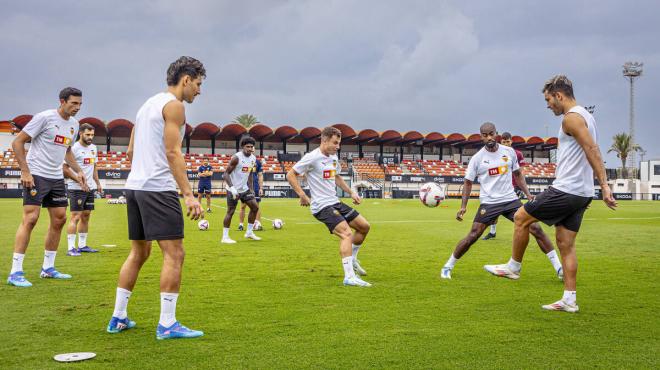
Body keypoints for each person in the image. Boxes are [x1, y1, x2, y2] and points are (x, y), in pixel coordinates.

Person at [484, 75, 617, 313]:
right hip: (582, 192)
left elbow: (592, 149)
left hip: (567, 188)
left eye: (548, 100)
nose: (548, 105)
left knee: (520, 217)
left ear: (559, 95)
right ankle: (569, 299)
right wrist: (598, 188)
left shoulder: (571, 119)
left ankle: (513, 267)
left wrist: (605, 185)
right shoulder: (587, 116)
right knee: (565, 244)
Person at [107, 56, 205, 339]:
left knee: (139, 252)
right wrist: (188, 194)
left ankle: (119, 317)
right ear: (186, 79)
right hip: (158, 188)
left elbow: (129, 152)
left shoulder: (147, 104)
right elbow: (174, 152)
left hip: (135, 187)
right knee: (175, 254)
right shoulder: (174, 106)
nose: (199, 91)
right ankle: (167, 324)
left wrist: (143, 169)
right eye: (198, 84)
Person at [440, 122, 562, 280]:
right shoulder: (477, 159)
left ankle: (559, 268)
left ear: (496, 133)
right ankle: (447, 266)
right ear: (481, 137)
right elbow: (468, 183)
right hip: (489, 202)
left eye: (491, 134)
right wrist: (463, 206)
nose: (489, 137)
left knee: (536, 229)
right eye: (485, 135)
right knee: (474, 234)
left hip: (511, 200)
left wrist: (528, 194)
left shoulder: (509, 152)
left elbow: (517, 174)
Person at [7, 87, 87, 287]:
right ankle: (15, 272)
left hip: (56, 177)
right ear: (62, 101)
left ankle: (48, 268)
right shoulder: (44, 118)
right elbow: (18, 142)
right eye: (74, 103)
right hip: (36, 175)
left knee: (60, 219)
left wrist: (79, 171)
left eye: (80, 104)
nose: (77, 107)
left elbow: (67, 151)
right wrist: (25, 171)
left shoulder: (74, 125)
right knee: (31, 219)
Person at [286, 127, 372, 287]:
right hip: (321, 206)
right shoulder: (311, 157)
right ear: (324, 140)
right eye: (335, 143)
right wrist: (302, 195)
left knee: (364, 227)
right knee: (346, 234)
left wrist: (351, 192)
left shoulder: (333, 157)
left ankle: (352, 258)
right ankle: (349, 277)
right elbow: (290, 174)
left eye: (339, 143)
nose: (337, 146)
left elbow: (336, 177)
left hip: (335, 201)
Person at [64, 123, 102, 256]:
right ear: (80, 133)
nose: (90, 137)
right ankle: (70, 248)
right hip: (76, 188)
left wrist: (97, 183)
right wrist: (79, 182)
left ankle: (82, 245)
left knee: (86, 216)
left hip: (90, 188)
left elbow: (94, 166)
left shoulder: (93, 148)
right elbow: (65, 169)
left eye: (92, 134)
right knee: (75, 217)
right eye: (87, 134)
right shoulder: (73, 149)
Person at [482, 132, 526, 240]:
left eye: (508, 141)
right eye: (504, 141)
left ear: (511, 141)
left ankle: (520, 232)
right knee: (494, 211)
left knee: (517, 213)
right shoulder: (496, 154)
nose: (506, 143)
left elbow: (521, 172)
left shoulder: (518, 154)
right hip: (499, 187)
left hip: (514, 187)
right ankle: (492, 232)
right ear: (500, 141)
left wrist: (521, 187)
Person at [221, 136, 261, 243]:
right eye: (247, 146)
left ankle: (249, 232)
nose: (250, 148)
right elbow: (225, 174)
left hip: (244, 189)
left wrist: (251, 189)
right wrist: (232, 189)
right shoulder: (236, 158)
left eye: (251, 147)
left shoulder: (253, 159)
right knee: (231, 211)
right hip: (232, 189)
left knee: (255, 208)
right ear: (243, 146)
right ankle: (225, 237)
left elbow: (250, 174)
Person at [238, 156, 263, 231]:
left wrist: (261, 188)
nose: (251, 149)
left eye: (252, 147)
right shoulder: (241, 161)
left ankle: (257, 224)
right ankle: (241, 224)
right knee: (243, 206)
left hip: (255, 186)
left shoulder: (257, 162)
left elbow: (260, 175)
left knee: (256, 206)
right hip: (244, 186)